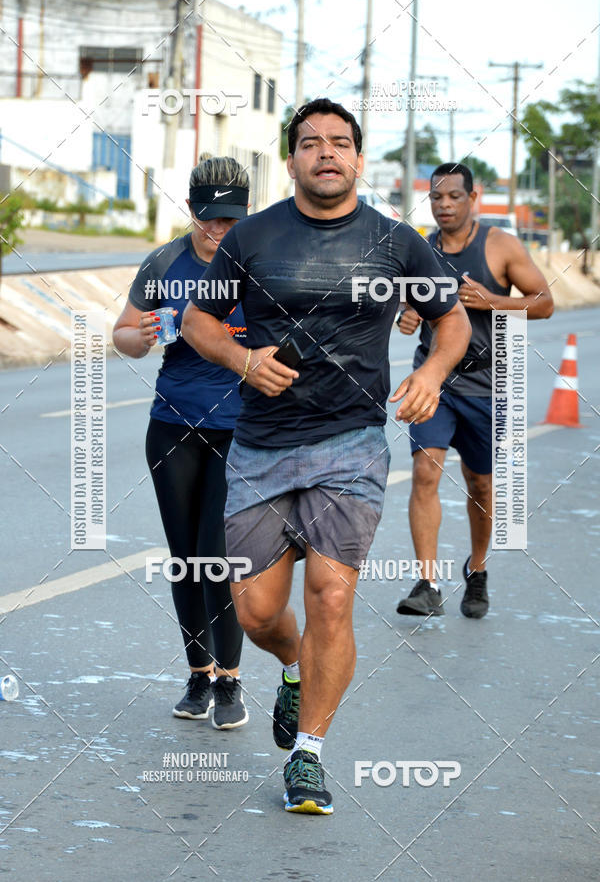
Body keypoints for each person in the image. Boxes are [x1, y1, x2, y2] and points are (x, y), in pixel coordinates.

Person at [181, 100, 471, 814]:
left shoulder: (397, 240)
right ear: (292, 162)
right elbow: (197, 321)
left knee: (332, 598)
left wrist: (430, 375)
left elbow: (452, 317)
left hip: (350, 446)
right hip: (260, 447)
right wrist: (244, 362)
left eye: (340, 143)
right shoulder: (250, 237)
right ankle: (289, 668)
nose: (327, 153)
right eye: (311, 144)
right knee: (256, 614)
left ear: (359, 159)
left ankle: (307, 756)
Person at [112, 154, 251, 730]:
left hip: (242, 427)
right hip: (173, 423)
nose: (221, 231)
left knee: (218, 554)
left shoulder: (258, 258)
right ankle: (197, 674)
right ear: (192, 211)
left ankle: (230, 682)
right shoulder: (164, 261)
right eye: (211, 219)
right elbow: (122, 332)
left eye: (232, 220)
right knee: (186, 558)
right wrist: (137, 337)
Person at [396, 162, 554, 620]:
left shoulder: (500, 245)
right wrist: (408, 315)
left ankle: (478, 571)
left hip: (488, 383)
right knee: (426, 473)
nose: (445, 205)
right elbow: (410, 305)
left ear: (473, 197)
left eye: (454, 197)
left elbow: (545, 302)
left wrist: (495, 301)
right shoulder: (421, 249)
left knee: (480, 484)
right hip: (435, 378)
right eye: (437, 198)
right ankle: (427, 583)